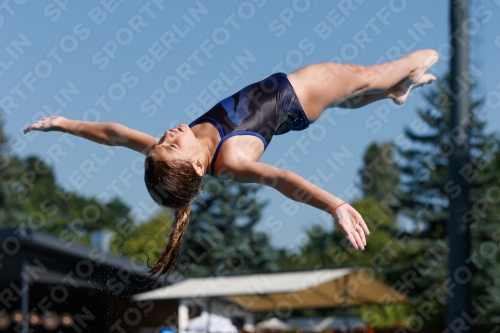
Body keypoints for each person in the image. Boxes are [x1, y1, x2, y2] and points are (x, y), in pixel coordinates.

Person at [24, 49, 439, 277]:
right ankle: (406, 71)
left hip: (295, 102)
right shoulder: (232, 160)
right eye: (171, 145)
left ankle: (395, 92)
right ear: (198, 168)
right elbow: (280, 178)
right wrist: (336, 205)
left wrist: (63, 124)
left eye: (163, 143)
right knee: (367, 73)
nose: (167, 136)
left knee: (354, 94)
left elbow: (114, 134)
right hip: (296, 95)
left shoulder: (178, 156)